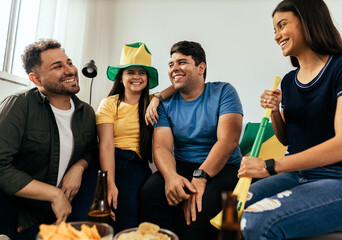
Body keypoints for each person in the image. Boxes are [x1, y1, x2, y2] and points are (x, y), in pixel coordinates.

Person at [238, 0, 342, 239]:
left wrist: (270, 165)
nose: (277, 36)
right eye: (274, 30)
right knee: (233, 207)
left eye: (282, 25)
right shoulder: (288, 81)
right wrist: (274, 111)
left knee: (254, 221)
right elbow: (285, 139)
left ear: (307, 21)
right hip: (298, 173)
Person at [140, 40, 244, 240]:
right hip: (184, 165)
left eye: (182, 62)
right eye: (171, 65)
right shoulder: (164, 104)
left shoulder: (224, 91)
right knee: (150, 192)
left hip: (225, 167)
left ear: (201, 67)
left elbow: (228, 140)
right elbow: (161, 146)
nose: (174, 69)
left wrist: (201, 176)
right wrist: (171, 177)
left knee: (207, 201)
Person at [0, 39, 98, 240]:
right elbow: (1, 166)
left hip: (63, 213)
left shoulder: (86, 113)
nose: (70, 70)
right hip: (21, 214)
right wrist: (55, 194)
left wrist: (79, 166)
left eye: (69, 63)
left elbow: (91, 150)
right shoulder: (19, 106)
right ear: (36, 79)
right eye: (58, 66)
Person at [96, 42, 175, 232]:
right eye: (130, 72)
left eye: (142, 72)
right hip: (109, 161)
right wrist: (109, 183)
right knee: (93, 206)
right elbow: (105, 145)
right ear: (121, 77)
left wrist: (157, 98)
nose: (137, 77)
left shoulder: (151, 104)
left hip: (136, 164)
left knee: (128, 208)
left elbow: (176, 86)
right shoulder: (109, 104)